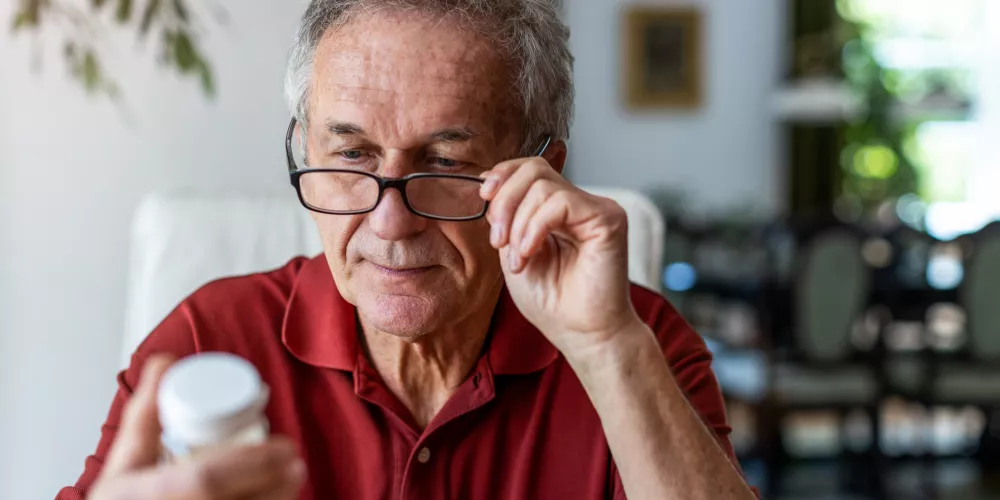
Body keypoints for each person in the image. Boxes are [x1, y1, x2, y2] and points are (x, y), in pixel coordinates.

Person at [57, 0, 757, 499]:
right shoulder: (208, 341)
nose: (389, 223)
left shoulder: (641, 348)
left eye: (446, 164)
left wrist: (609, 351)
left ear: (543, 172)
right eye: (351, 155)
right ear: (304, 151)